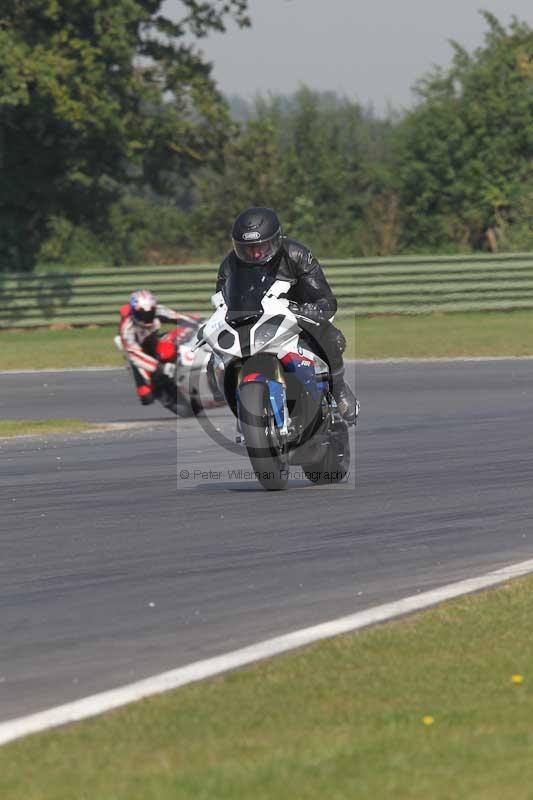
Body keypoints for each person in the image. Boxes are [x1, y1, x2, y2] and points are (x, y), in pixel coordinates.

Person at [216, 207, 359, 423]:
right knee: (216, 359)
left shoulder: (296, 254)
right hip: (253, 323)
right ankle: (242, 408)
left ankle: (338, 389)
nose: (254, 254)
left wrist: (314, 309)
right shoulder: (229, 265)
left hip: (297, 316)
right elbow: (222, 302)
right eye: (247, 248)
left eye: (260, 246)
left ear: (275, 240)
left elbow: (325, 298)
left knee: (332, 339)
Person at [119, 289, 200, 406]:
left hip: (152, 338)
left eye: (149, 313)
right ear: (134, 312)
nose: (146, 317)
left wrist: (198, 323)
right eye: (142, 314)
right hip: (136, 348)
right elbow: (133, 354)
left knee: (174, 341)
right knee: (146, 397)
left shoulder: (158, 310)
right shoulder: (127, 327)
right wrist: (159, 367)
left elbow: (178, 317)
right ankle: (150, 387)